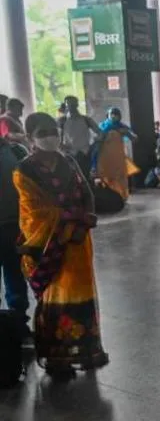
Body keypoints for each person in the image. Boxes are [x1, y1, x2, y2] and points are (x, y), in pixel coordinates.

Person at [14, 112, 109, 379]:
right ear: (30, 138)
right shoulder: (24, 170)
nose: (50, 137)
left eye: (53, 131)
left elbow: (86, 193)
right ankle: (58, 359)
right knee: (57, 296)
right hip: (49, 245)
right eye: (42, 133)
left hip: (78, 242)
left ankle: (85, 350)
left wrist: (85, 220)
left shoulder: (68, 161)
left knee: (80, 292)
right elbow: (35, 212)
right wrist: (76, 220)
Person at [0, 133, 28, 326]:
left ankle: (18, 324)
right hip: (11, 225)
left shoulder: (16, 151)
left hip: (13, 227)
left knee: (15, 276)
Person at [95, 108, 138, 200]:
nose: (114, 116)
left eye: (116, 114)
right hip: (105, 158)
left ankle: (121, 197)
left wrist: (127, 133)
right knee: (107, 177)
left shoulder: (122, 127)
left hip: (118, 158)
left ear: (120, 116)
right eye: (112, 114)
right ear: (107, 115)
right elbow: (97, 140)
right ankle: (108, 197)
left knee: (120, 177)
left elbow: (134, 139)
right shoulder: (102, 126)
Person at [58, 96, 102, 179]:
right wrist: (61, 146)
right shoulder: (62, 121)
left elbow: (100, 133)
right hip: (69, 154)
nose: (71, 106)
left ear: (77, 104)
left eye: (73, 104)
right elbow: (57, 137)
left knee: (85, 177)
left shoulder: (86, 119)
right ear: (66, 105)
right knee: (71, 178)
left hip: (85, 153)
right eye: (68, 104)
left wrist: (94, 145)